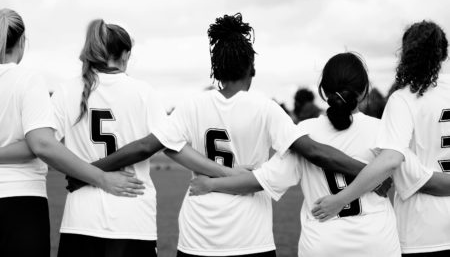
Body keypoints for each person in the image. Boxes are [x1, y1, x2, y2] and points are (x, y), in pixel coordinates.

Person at [65, 13, 384, 257]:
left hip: (197, 237)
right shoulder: (266, 109)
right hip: (251, 238)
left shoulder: (192, 105)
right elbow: (316, 152)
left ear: (215, 70)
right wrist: (372, 173)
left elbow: (146, 146)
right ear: (251, 69)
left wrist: (91, 173)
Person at [187, 52, 401, 256]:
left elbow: (260, 181)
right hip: (378, 242)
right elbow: (414, 176)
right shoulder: (383, 130)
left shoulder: (304, 131)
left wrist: (212, 184)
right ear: (364, 91)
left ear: (322, 91)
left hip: (322, 244)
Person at [0, 10, 145, 257]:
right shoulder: (27, 80)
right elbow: (40, 144)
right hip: (18, 201)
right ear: (23, 41)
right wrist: (100, 177)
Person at [312, 21, 450, 256]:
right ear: (444, 53)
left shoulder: (403, 99)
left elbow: (391, 160)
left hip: (423, 231)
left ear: (406, 54)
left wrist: (340, 199)